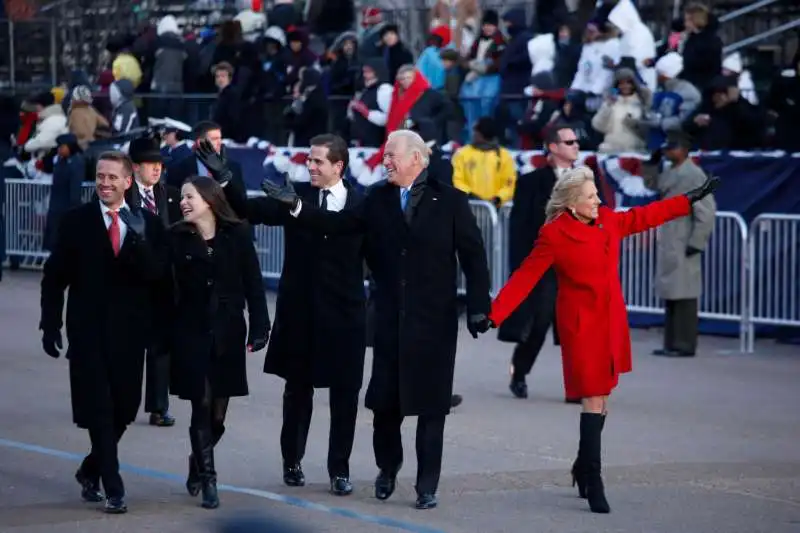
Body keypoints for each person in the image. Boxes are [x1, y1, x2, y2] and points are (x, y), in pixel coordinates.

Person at [260, 130, 491, 510]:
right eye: (384, 156)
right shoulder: (376, 200)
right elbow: (337, 226)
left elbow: (473, 257)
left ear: (416, 158)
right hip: (387, 320)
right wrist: (299, 209)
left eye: (391, 156)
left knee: (432, 408)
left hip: (434, 323)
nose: (384, 162)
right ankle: (388, 469)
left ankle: (426, 486)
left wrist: (480, 306)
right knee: (385, 406)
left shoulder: (450, 201)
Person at [480, 166, 718, 514]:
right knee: (592, 397)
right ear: (572, 204)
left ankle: (581, 463)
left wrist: (686, 201)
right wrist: (493, 313)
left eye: (596, 195)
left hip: (611, 321)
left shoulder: (607, 220)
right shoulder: (555, 234)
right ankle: (593, 474)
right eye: (591, 197)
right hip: (581, 326)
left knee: (603, 397)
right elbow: (525, 277)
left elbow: (642, 217)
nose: (598, 201)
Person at [39, 151, 168, 514]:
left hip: (130, 334)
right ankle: (113, 484)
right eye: (100, 177)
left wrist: (141, 240)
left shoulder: (148, 223)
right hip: (88, 331)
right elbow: (55, 276)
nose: (105, 183)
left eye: (112, 177)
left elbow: (158, 276)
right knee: (99, 408)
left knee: (124, 409)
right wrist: (50, 322)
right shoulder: (76, 221)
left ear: (129, 181)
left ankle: (90, 468)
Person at [246, 134, 367, 495]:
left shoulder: (361, 204)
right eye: (309, 160)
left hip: (345, 315)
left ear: (338, 166)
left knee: (346, 395)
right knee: (297, 391)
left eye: (317, 161)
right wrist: (224, 182)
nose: (310, 166)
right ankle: (292, 460)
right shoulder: (293, 194)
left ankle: (339, 470)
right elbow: (251, 209)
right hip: (301, 312)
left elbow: (347, 234)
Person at [168, 175, 270, 509]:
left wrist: (260, 326)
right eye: (182, 198)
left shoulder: (237, 234)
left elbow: (254, 283)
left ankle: (197, 460)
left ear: (210, 201)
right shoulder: (177, 237)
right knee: (201, 403)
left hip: (228, 330)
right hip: (191, 330)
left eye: (189, 197)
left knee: (218, 417)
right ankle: (209, 481)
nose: (183, 203)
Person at [502, 123, 578, 401]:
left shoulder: (585, 181)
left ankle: (577, 385)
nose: (576, 146)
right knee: (540, 322)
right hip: (546, 264)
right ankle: (519, 372)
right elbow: (520, 228)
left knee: (576, 327)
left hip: (578, 265)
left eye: (576, 141)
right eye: (569, 142)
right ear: (554, 147)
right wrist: (521, 270)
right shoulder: (531, 182)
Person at [644, 132, 716, 357]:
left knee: (685, 294)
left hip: (684, 237)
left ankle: (684, 344)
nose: (668, 152)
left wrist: (697, 242)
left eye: (672, 148)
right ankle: (671, 342)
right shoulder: (671, 172)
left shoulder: (694, 175)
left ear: (684, 149)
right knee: (672, 294)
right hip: (671, 237)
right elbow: (653, 184)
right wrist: (651, 163)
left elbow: (706, 210)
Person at [125, 134, 180, 427]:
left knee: (161, 347)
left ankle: (159, 407)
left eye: (159, 163)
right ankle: (122, 400)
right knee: (129, 345)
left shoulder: (168, 193)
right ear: (134, 167)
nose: (156, 169)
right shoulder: (121, 195)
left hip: (162, 280)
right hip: (131, 280)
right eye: (149, 164)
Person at [165, 121, 248, 219]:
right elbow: (173, 206)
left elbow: (241, 202)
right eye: (214, 139)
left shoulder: (233, 167)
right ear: (200, 142)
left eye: (220, 138)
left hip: (226, 226)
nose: (219, 142)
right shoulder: (178, 169)